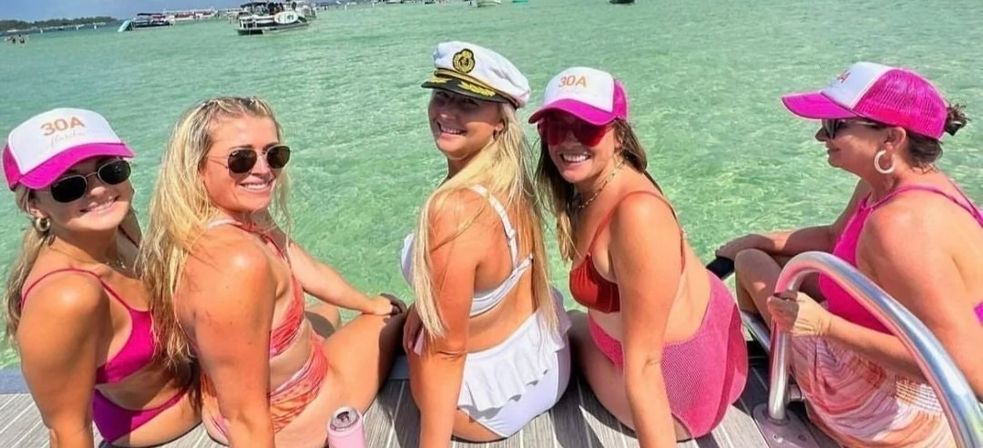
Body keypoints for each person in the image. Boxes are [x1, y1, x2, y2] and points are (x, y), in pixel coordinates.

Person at [718, 62, 983, 447]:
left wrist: (825, 326)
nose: (818, 135)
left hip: (892, 412)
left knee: (750, 266)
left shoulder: (900, 226)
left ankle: (787, 382)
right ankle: (791, 367)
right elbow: (831, 237)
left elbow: (968, 371)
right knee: (758, 257)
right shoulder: (906, 185)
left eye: (834, 126)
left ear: (891, 137)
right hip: (895, 376)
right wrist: (757, 238)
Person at [140, 96, 405, 448]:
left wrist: (367, 302)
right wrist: (381, 308)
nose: (264, 170)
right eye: (242, 159)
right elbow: (247, 418)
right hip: (292, 418)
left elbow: (306, 268)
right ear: (196, 167)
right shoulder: (236, 264)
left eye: (274, 154)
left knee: (329, 312)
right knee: (395, 311)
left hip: (222, 399)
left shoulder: (220, 222)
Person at [532, 67, 748, 446]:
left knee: (565, 328)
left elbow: (645, 365)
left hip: (677, 401)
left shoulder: (637, 215)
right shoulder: (595, 189)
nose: (568, 139)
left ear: (619, 135)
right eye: (555, 126)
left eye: (586, 126)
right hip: (701, 363)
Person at [400, 41, 571, 446]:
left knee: (387, 334)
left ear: (500, 119)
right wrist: (426, 304)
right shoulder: (512, 181)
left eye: (468, 103)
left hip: (484, 411)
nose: (447, 112)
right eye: (442, 94)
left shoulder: (454, 210)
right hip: (550, 369)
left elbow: (446, 355)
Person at [2, 108, 199, 446]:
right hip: (158, 420)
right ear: (34, 205)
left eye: (110, 170)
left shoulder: (120, 227)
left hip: (193, 380)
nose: (98, 191)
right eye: (68, 186)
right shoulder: (67, 296)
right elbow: (67, 431)